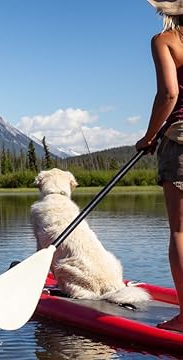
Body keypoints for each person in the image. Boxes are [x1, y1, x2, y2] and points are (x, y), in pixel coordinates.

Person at [137, 0, 183, 332]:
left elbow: (169, 94)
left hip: (180, 141)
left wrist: (149, 137)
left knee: (181, 232)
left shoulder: (166, 40)